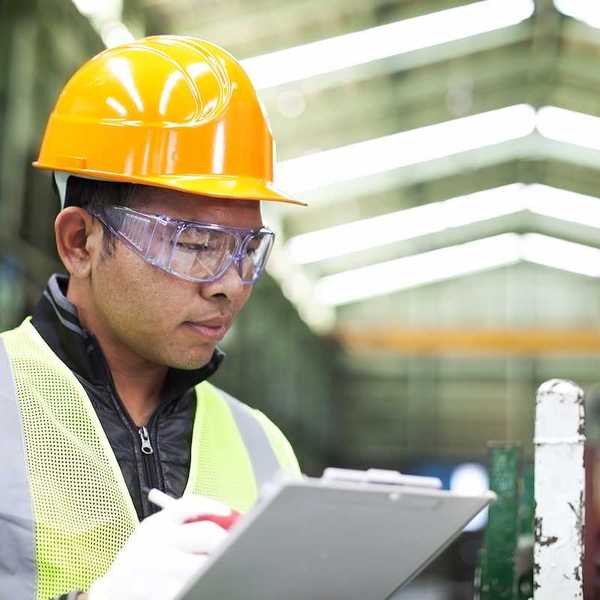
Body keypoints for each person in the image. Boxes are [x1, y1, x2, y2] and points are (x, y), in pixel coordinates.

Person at [0, 35, 304, 600]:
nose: (230, 285)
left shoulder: (265, 448)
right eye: (194, 244)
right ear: (79, 242)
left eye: (247, 249)